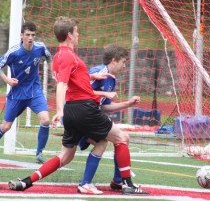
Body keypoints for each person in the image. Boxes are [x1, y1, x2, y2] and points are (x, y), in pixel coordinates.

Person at [8, 16, 148, 195]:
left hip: (73, 111)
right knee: (121, 138)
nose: (78, 35)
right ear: (69, 35)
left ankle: (27, 181)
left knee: (66, 156)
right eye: (76, 32)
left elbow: (71, 79)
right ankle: (126, 184)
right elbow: (62, 84)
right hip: (84, 108)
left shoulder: (59, 55)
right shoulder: (67, 56)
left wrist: (90, 77)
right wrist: (58, 110)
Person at [0, 22, 52, 164]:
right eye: (27, 35)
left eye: (33, 35)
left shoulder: (40, 48)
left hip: (35, 92)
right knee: (6, 126)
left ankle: (39, 154)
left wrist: (55, 72)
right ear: (21, 36)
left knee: (46, 120)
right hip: (17, 95)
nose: (30, 38)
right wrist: (7, 80)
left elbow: (49, 57)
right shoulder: (14, 52)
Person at [77, 44, 141, 194]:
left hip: (91, 117)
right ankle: (122, 182)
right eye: (123, 62)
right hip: (80, 116)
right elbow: (79, 90)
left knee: (105, 142)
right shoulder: (98, 72)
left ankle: (116, 181)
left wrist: (128, 103)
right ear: (114, 60)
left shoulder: (112, 81)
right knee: (121, 137)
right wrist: (103, 94)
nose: (125, 66)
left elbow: (105, 107)